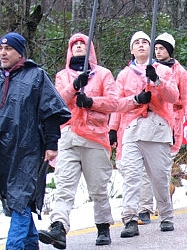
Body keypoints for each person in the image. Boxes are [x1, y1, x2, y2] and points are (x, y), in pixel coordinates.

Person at [39, 34, 118, 249]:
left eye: (83, 43)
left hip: (94, 138)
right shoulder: (62, 76)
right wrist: (75, 86)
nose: (79, 47)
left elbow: (113, 103)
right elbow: (57, 101)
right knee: (64, 186)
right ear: (69, 50)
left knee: (98, 187)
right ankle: (59, 227)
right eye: (75, 45)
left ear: (90, 48)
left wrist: (92, 102)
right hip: (68, 137)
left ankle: (102, 225)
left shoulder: (103, 74)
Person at [1, 32, 71, 250]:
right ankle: (31, 243)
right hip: (4, 151)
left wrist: (51, 144)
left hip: (28, 149)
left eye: (9, 49)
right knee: (14, 197)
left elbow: (51, 112)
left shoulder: (36, 76)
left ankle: (14, 246)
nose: (3, 53)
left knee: (21, 197)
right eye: (1, 49)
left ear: (20, 52)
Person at [109, 31, 179, 238]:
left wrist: (157, 80)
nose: (140, 45)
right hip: (131, 130)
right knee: (131, 176)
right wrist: (113, 128)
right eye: (136, 43)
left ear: (151, 48)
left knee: (159, 177)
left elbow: (173, 96)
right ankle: (130, 218)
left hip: (157, 129)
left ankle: (166, 215)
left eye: (145, 42)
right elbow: (116, 104)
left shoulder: (164, 71)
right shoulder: (123, 75)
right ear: (131, 49)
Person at [136, 32, 187, 224]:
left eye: (162, 48)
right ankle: (144, 208)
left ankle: (162, 202)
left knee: (162, 166)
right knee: (147, 167)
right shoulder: (149, 69)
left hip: (173, 122)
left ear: (169, 51)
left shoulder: (180, 72)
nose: (158, 51)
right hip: (151, 118)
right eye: (156, 48)